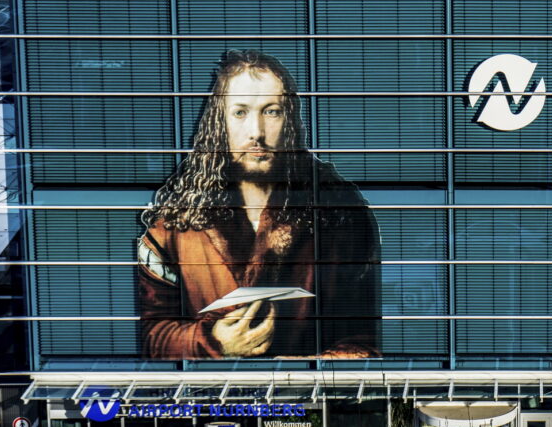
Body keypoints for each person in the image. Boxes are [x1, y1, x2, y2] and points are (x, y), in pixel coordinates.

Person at [138, 50, 380, 359]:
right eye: (240, 113)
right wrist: (213, 342)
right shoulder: (175, 223)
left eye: (271, 111)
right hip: (206, 400)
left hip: (306, 402)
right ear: (219, 122)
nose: (257, 133)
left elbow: (369, 332)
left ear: (289, 120)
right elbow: (147, 333)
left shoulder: (340, 213)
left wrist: (303, 372)